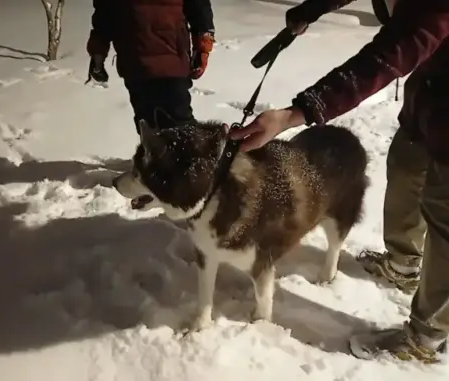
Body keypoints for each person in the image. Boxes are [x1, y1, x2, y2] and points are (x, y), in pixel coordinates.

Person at [230, 0, 449, 363]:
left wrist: (294, 114)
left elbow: (386, 57)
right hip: (434, 92)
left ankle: (427, 337)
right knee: (407, 164)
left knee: (445, 214)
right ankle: (403, 263)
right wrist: (311, 9)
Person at [85, 0, 215, 132]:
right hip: (152, 57)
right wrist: (203, 46)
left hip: (147, 57)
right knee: (173, 127)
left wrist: (98, 53)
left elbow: (104, 14)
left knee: (158, 128)